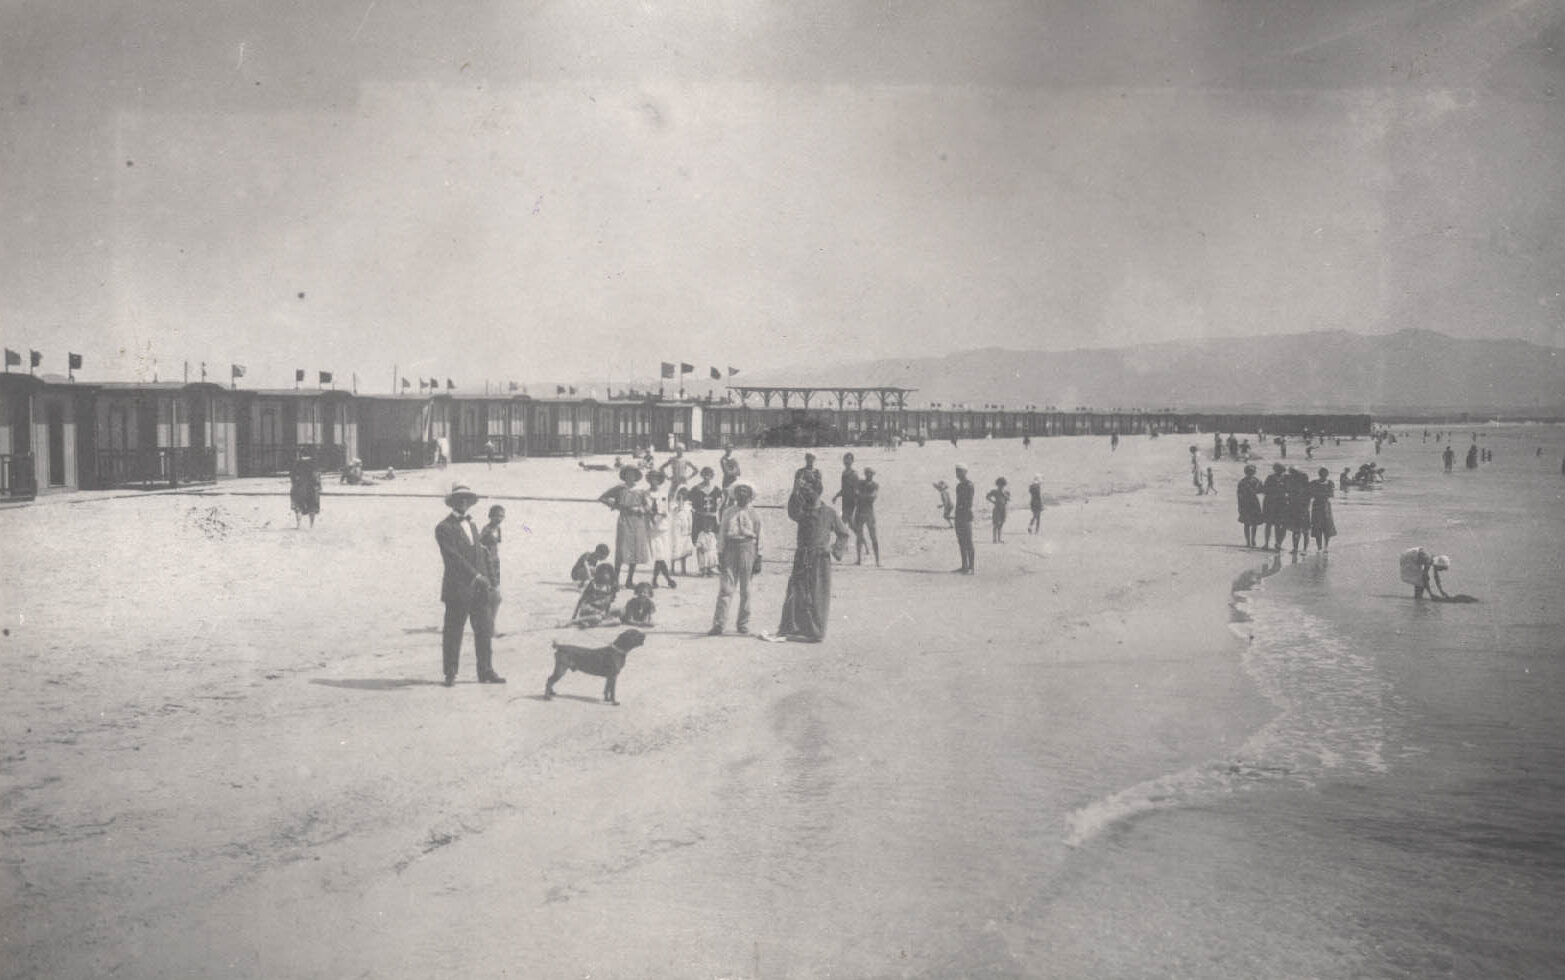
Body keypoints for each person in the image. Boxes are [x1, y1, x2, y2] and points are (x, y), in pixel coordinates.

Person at [435, 482, 502, 685]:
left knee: (484, 630)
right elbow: (453, 558)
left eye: (466, 499)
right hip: (457, 589)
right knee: (454, 632)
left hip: (480, 589)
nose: (463, 502)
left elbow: (481, 555)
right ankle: (451, 673)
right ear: (452, 502)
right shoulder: (443, 528)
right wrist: (476, 576)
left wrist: (489, 581)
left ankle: (486, 671)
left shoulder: (473, 526)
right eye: (459, 499)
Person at [774, 476, 851, 642]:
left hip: (820, 559)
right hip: (802, 557)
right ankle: (794, 628)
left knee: (817, 592)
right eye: (803, 491)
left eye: (808, 490)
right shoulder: (802, 512)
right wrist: (795, 490)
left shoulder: (829, 513)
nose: (804, 493)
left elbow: (843, 534)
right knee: (797, 590)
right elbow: (792, 511)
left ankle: (816, 631)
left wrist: (833, 549)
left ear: (817, 492)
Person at [710, 482, 762, 635]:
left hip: (748, 548)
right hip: (730, 549)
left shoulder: (755, 514)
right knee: (726, 588)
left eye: (746, 492)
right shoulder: (728, 512)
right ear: (736, 495)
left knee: (746, 589)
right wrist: (720, 554)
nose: (742, 495)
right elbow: (722, 533)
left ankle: (743, 624)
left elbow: (760, 536)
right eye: (740, 492)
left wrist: (759, 558)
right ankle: (719, 624)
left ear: (750, 495)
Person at [599, 467, 651, 587]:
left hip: (638, 522)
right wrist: (617, 506)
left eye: (632, 474)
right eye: (628, 474)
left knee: (635, 550)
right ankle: (615, 580)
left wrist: (641, 509)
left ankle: (629, 580)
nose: (630, 477)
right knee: (622, 549)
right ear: (625, 476)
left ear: (636, 476)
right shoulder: (620, 488)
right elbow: (602, 498)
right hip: (624, 520)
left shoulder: (641, 491)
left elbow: (648, 506)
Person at [644, 469, 677, 589]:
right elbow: (648, 509)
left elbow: (664, 509)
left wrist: (661, 514)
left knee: (661, 555)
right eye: (652, 479)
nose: (654, 481)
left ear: (659, 481)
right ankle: (668, 579)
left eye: (656, 479)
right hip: (653, 527)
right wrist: (654, 516)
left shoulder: (663, 494)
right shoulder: (646, 494)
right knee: (659, 555)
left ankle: (655, 579)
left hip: (663, 526)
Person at [478, 504, 506, 634]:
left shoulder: (498, 529)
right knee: (495, 597)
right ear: (490, 516)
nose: (499, 518)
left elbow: (496, 546)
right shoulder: (486, 530)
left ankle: (489, 626)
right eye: (497, 516)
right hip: (486, 565)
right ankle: (491, 627)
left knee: (494, 597)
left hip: (496, 565)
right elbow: (481, 548)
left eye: (501, 516)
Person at [688, 467, 723, 544]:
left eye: (709, 475)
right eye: (705, 475)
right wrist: (693, 510)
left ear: (711, 476)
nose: (706, 477)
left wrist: (717, 508)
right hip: (699, 518)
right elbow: (688, 500)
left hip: (711, 518)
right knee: (698, 542)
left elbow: (722, 499)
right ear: (702, 475)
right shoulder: (696, 489)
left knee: (712, 541)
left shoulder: (716, 489)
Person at [854, 467, 881, 565]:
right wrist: (866, 496)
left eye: (870, 473)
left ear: (872, 475)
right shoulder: (861, 483)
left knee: (873, 536)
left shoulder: (874, 485)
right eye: (867, 473)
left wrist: (862, 496)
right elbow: (858, 494)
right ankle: (859, 560)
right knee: (859, 536)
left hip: (867, 512)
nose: (868, 475)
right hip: (862, 512)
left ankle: (877, 561)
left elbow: (872, 497)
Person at [289, 452, 321, 529]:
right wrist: (318, 486)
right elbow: (316, 477)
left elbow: (292, 476)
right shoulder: (313, 464)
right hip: (311, 488)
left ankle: (298, 524)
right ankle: (311, 525)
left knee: (298, 506)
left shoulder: (297, 463)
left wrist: (295, 485)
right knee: (312, 506)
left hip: (299, 486)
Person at [1261, 463, 1288, 552]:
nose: (1279, 471)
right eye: (1278, 469)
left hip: (1279, 503)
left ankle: (1276, 544)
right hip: (1272, 503)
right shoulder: (1271, 478)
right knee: (1270, 524)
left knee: (1276, 525)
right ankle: (1267, 543)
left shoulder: (1285, 478)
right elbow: (1265, 489)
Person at [953, 464, 976, 573]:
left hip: (966, 516)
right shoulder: (959, 486)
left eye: (959, 471)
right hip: (959, 516)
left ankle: (971, 567)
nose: (957, 474)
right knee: (961, 541)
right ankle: (964, 566)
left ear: (965, 472)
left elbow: (969, 503)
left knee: (968, 541)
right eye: (956, 471)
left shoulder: (969, 485)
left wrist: (962, 512)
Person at [1308, 467, 1337, 553]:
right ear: (1319, 474)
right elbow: (1311, 493)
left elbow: (1331, 494)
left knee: (1327, 526)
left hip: (1325, 506)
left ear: (1327, 474)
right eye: (1322, 474)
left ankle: (1326, 547)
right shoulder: (1314, 483)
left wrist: (1319, 494)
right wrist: (1323, 494)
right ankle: (1319, 547)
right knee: (1317, 527)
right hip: (1317, 506)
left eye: (1325, 474)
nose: (1324, 475)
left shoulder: (1329, 483)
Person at [1286, 466, 1313, 554]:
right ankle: (1298, 548)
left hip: (1301, 510)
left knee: (1300, 531)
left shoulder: (1301, 488)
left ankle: (1299, 548)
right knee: (1301, 531)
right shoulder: (1299, 487)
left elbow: (1307, 501)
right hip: (1300, 510)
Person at [1236, 464, 1264, 548]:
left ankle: (1250, 540)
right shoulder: (1256, 481)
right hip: (1251, 502)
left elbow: (1239, 494)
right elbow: (1261, 491)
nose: (1250, 473)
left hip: (1248, 503)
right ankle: (1250, 540)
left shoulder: (1243, 481)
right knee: (1250, 523)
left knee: (1249, 523)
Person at [670, 487, 694, 576]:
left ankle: (683, 569)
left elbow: (690, 518)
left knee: (684, 549)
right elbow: (677, 510)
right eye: (680, 495)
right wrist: (679, 500)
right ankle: (672, 568)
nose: (682, 497)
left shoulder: (688, 507)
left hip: (685, 530)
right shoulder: (674, 505)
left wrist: (690, 529)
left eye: (684, 495)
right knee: (676, 547)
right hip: (676, 530)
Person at [986, 476, 1010, 543]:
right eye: (1000, 485)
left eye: (1002, 485)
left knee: (1001, 524)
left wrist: (1004, 494)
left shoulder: (1006, 492)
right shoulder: (994, 491)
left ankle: (999, 538)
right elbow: (987, 496)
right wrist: (993, 502)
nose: (1001, 486)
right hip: (997, 508)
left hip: (1004, 509)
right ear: (997, 485)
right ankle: (994, 539)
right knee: (996, 524)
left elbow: (1008, 499)